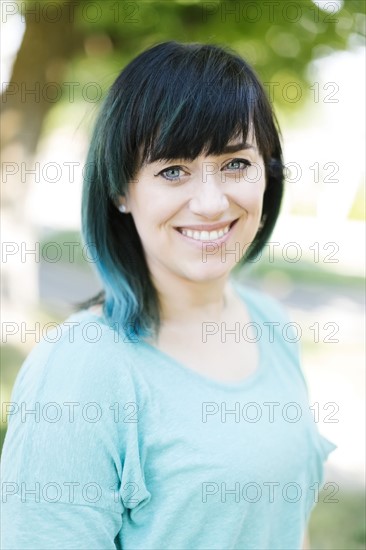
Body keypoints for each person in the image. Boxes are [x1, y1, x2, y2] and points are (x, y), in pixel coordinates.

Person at [1, 41, 336, 549]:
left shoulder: (271, 324)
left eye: (234, 164)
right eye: (172, 170)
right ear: (121, 190)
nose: (209, 202)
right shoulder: (81, 369)